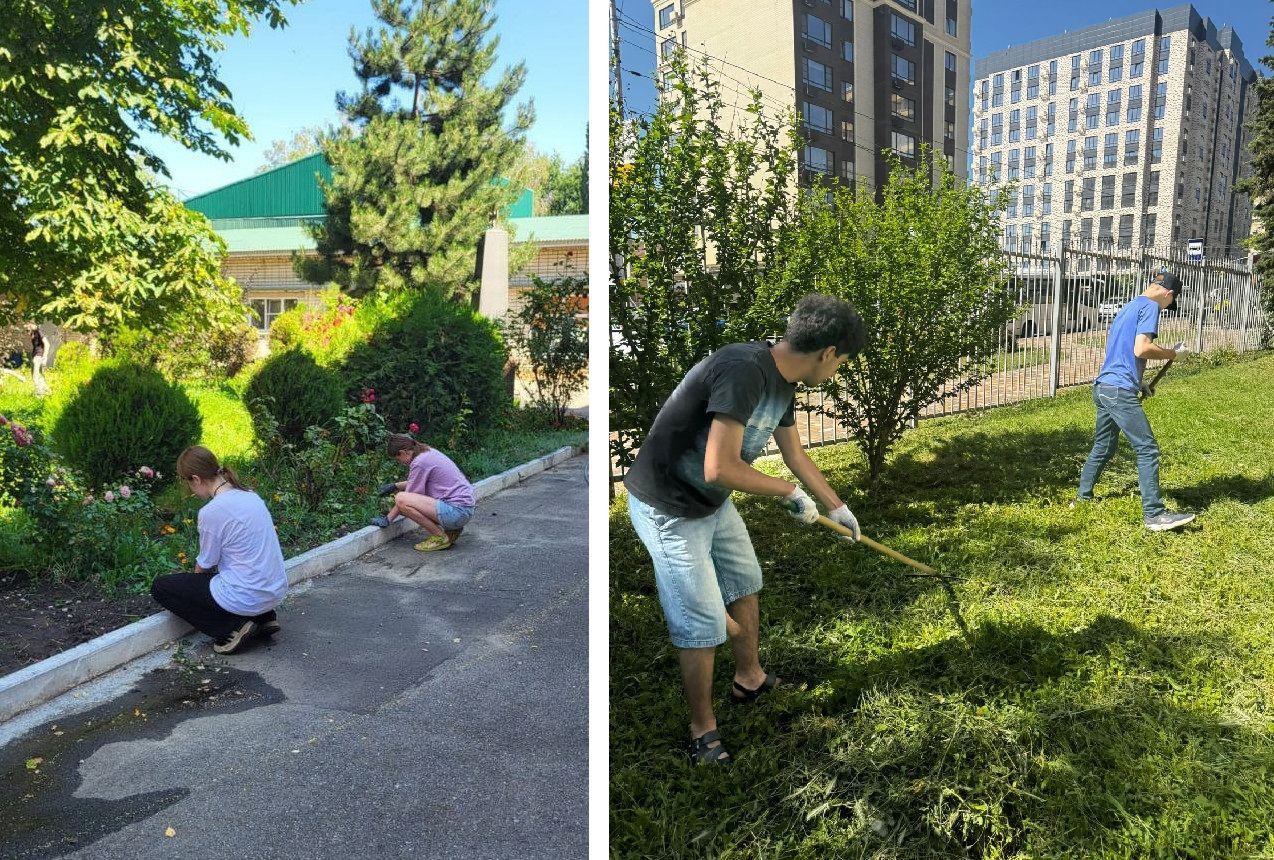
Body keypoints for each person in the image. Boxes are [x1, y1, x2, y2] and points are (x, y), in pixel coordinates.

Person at [623, 294, 869, 764]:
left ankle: (749, 678)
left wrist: (836, 506)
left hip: (711, 504)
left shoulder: (783, 380)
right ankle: (702, 728)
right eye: (841, 363)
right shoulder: (744, 369)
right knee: (700, 623)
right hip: (668, 506)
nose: (837, 372)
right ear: (828, 353)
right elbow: (719, 467)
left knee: (745, 582)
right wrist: (786, 492)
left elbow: (795, 455)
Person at [1075, 270, 1195, 531]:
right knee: (1147, 448)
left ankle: (1082, 498)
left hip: (1105, 386)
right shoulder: (1151, 306)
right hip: (1118, 391)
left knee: (1103, 447)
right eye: (1169, 304)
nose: (1166, 307)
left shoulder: (1128, 307)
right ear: (1168, 294)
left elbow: (1121, 352)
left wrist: (1137, 381)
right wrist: (1173, 354)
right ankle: (1154, 514)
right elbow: (1141, 349)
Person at [151, 446, 288, 654]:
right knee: (232, 574)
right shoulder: (251, 496)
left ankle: (231, 628)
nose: (190, 490)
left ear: (196, 479)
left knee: (161, 587)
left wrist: (192, 589)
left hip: (248, 596)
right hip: (275, 590)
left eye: (188, 483)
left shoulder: (211, 511)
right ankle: (264, 618)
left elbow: (206, 563)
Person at [370, 433, 476, 552]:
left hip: (456, 512)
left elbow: (406, 498)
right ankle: (452, 530)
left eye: (397, 458)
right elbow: (418, 481)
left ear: (403, 452)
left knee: (401, 499)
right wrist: (394, 486)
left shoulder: (419, 462)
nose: (399, 462)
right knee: (403, 498)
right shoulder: (427, 452)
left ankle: (439, 537)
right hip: (464, 509)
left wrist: (388, 519)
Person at [29, 326, 50, 397]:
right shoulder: (34, 333)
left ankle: (39, 395)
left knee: (36, 376)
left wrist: (45, 356)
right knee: (38, 375)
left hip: (39, 356)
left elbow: (47, 344)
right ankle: (47, 392)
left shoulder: (39, 331)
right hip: (35, 356)